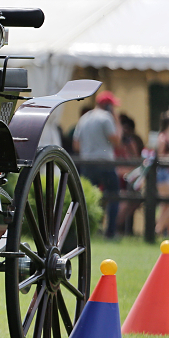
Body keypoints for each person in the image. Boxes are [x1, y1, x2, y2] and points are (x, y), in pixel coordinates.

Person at [72, 90, 121, 238]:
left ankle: (88, 231)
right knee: (113, 196)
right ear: (108, 106)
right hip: (105, 163)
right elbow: (116, 141)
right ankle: (110, 232)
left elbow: (76, 145)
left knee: (89, 198)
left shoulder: (84, 118)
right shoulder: (106, 118)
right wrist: (116, 120)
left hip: (87, 162)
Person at [114, 114, 144, 236]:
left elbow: (137, 163)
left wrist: (131, 147)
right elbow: (117, 169)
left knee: (136, 199)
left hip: (128, 184)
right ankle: (116, 229)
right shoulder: (114, 144)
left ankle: (123, 229)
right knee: (124, 201)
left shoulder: (133, 141)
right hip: (116, 184)